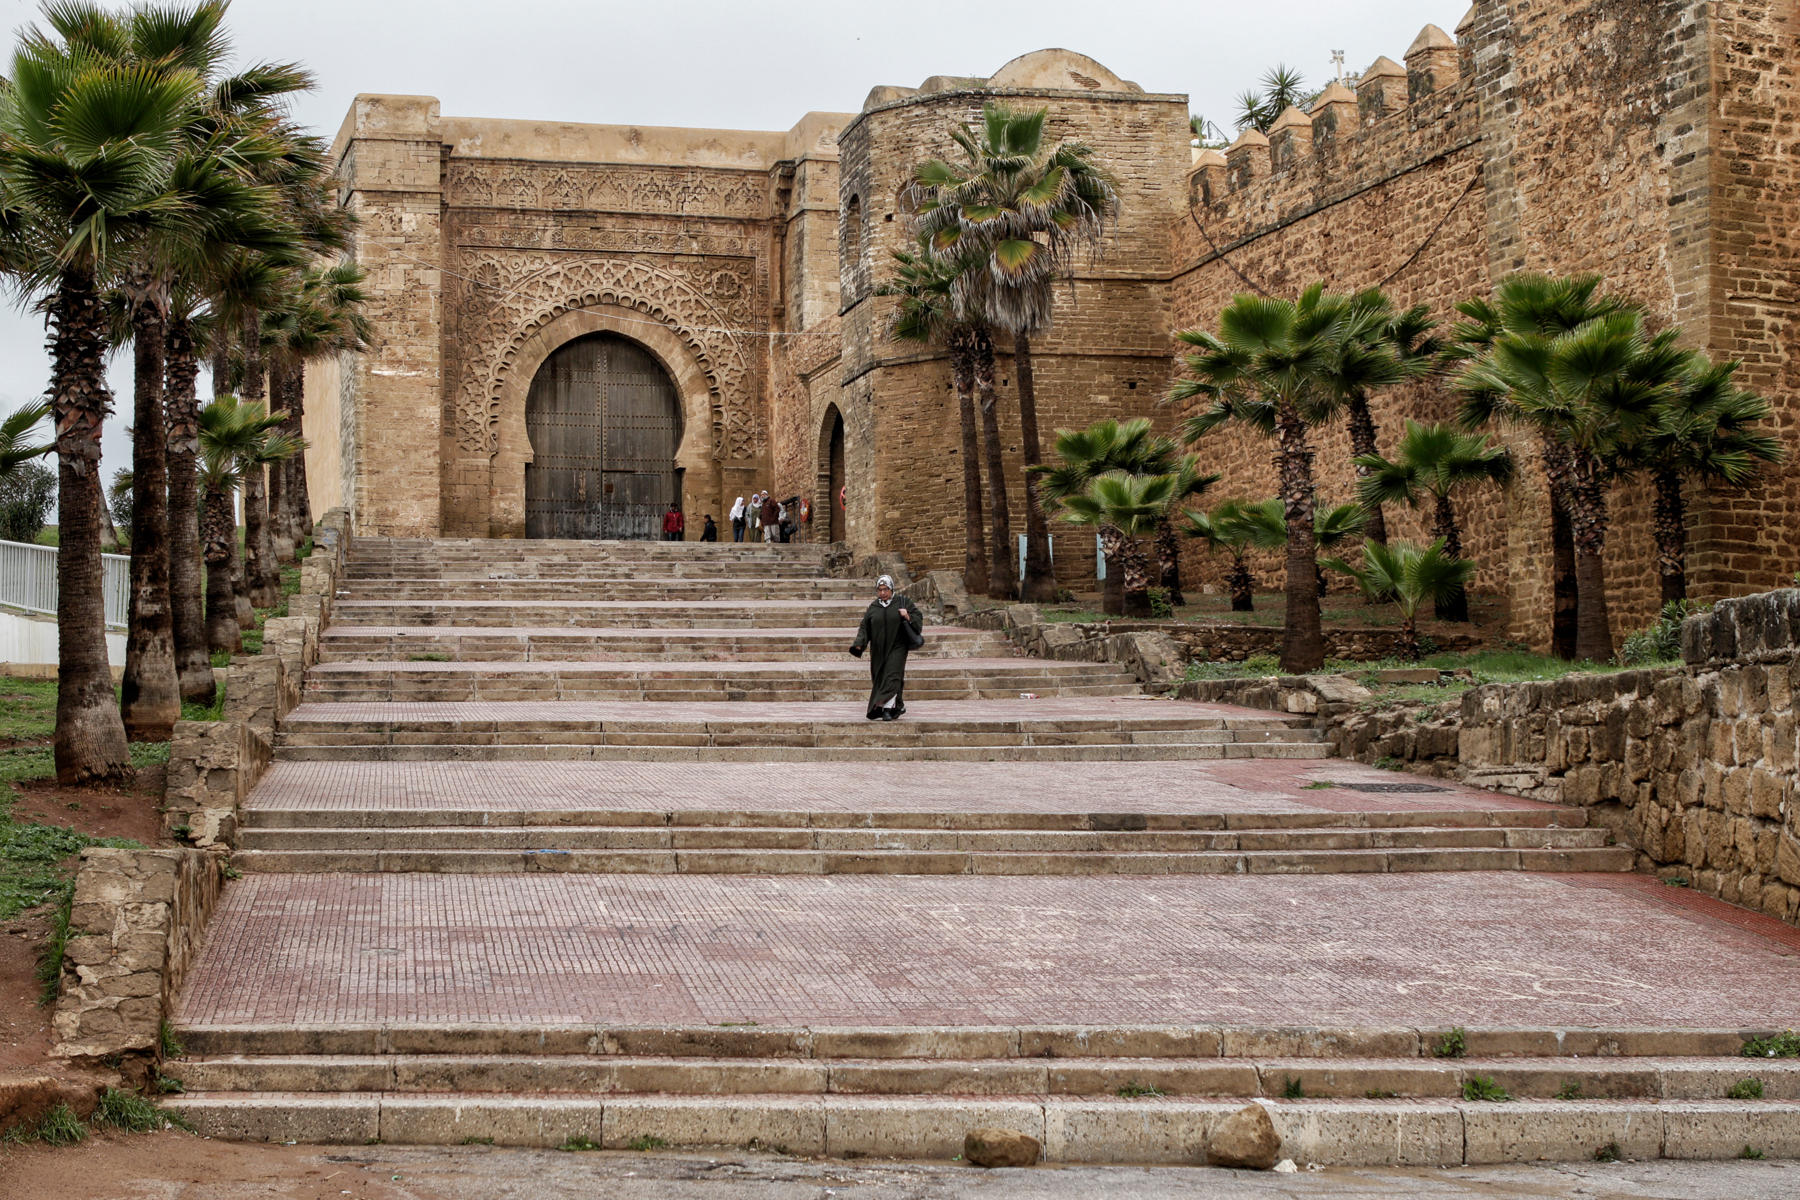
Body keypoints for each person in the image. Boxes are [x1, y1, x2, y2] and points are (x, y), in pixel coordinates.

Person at [849, 574, 923, 721]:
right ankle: (897, 706)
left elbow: (918, 618)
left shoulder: (902, 602)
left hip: (898, 647)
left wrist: (907, 615)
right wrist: (859, 643)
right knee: (881, 677)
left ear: (891, 589)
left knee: (892, 676)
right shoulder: (874, 607)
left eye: (885, 589)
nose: (882, 593)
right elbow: (865, 627)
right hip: (878, 650)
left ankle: (887, 710)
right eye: (880, 590)